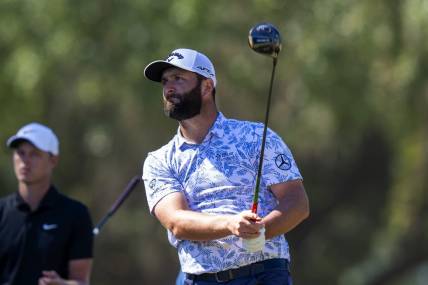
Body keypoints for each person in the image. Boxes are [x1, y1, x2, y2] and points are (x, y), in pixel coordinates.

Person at [142, 48, 309, 285]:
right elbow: (176, 222)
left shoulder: (256, 136)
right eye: (165, 81)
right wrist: (231, 225)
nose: (169, 88)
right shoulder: (159, 160)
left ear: (207, 87)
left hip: (264, 275)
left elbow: (297, 203)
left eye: (178, 79)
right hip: (201, 280)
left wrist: (260, 231)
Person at [0, 122, 94, 285]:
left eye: (34, 154)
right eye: (20, 153)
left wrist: (63, 284)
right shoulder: (1, 211)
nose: (25, 161)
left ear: (53, 160)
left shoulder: (76, 214)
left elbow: (81, 282)